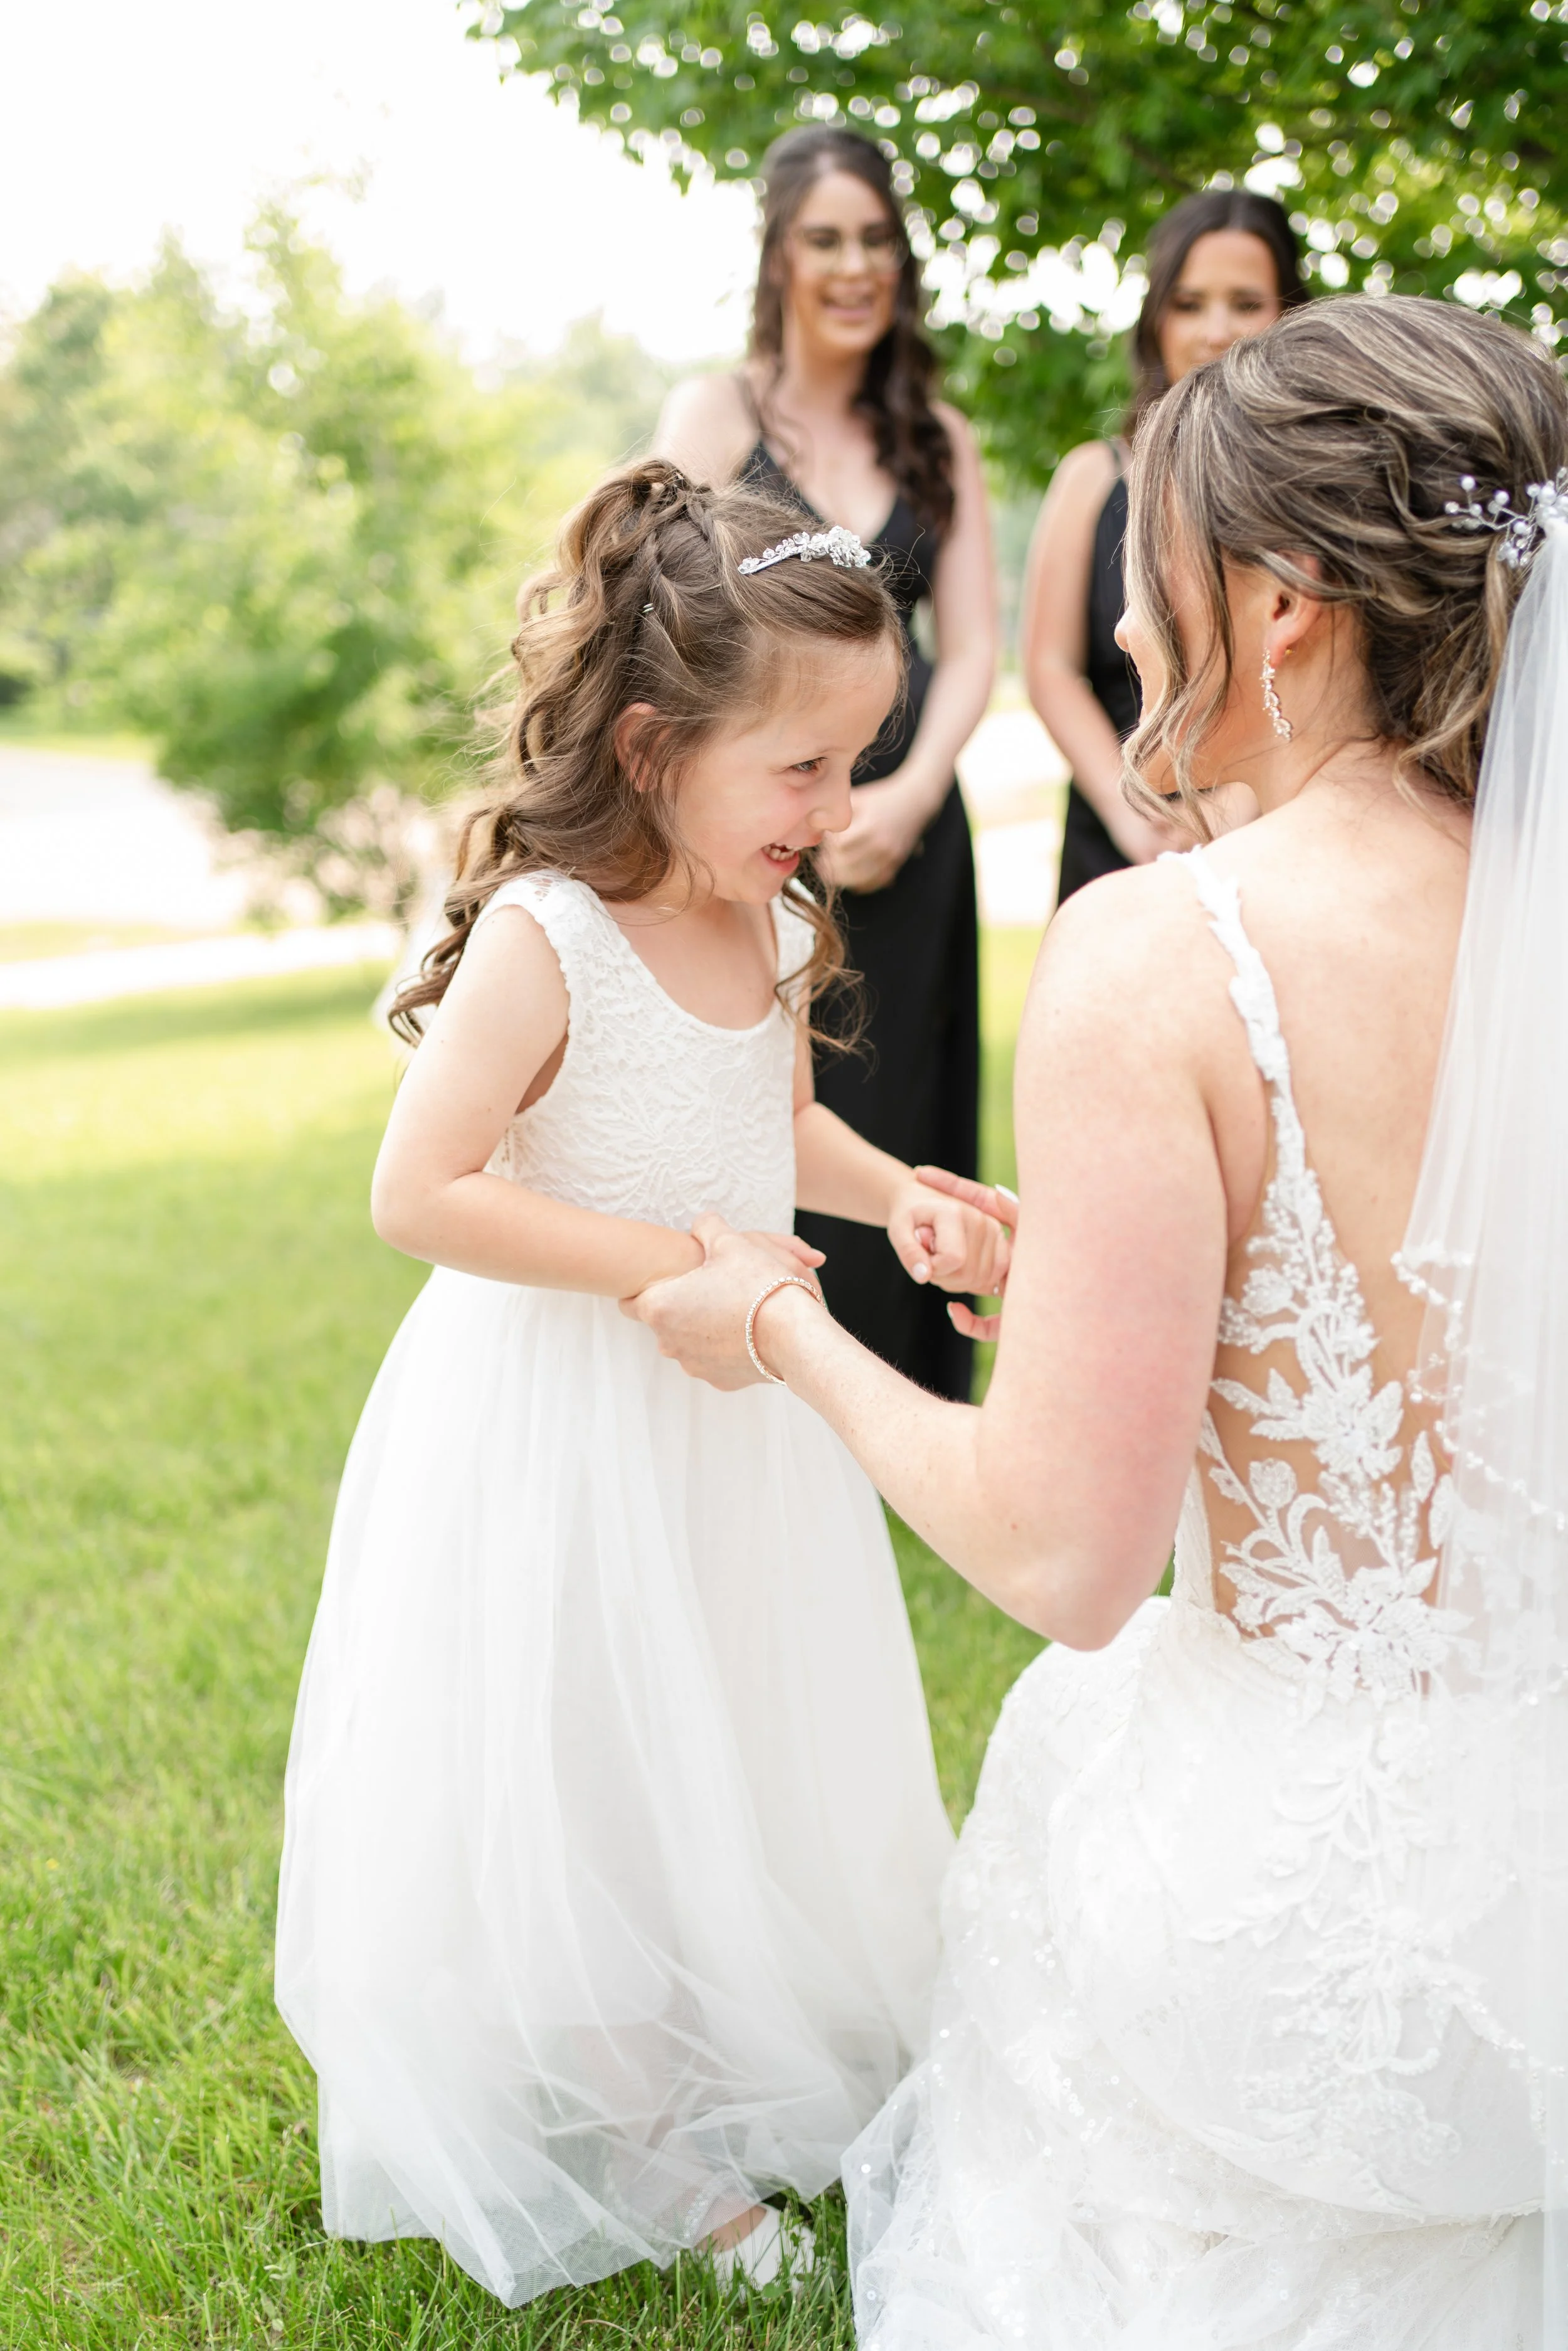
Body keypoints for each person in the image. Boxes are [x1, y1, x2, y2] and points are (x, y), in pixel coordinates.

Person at [627, 297, 1568, 2342]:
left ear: (1287, 602)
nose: (1128, 631)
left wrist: (788, 1326)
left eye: (1155, 565)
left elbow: (1066, 1556)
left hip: (1322, 1948)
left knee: (1088, 1737)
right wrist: (1086, 1267)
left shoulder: (1166, 954)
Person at [274, 462, 1012, 2308]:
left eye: (856, 763)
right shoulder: (550, 934)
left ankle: (733, 2033)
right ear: (650, 741)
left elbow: (767, 1125)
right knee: (596, 1762)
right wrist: (675, 1268)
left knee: (731, 1728)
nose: (836, 812)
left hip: (730, 1420)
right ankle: (640, 2136)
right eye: (801, 769)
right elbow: (419, 1191)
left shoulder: (758, 916)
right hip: (560, 1424)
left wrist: (894, 1190)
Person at [655, 125, 997, 1402]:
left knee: (902, 1081)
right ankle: (759, 1357)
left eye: (875, 240)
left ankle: (907, 1389)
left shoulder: (938, 438)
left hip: (908, 826)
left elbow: (969, 651)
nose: (854, 265)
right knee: (764, 1089)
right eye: (825, 240)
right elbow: (657, 617)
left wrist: (906, 795)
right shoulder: (711, 415)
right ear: (778, 256)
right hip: (750, 825)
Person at [1024, 188, 1306, 905]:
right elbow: (1049, 667)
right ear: (1156, 320)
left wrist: (1239, 810)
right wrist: (1134, 813)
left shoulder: (1317, 484)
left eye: (1245, 303)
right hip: (1121, 830)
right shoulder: (1094, 476)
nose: (1216, 330)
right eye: (1189, 303)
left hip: (1280, 830)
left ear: (1288, 311)